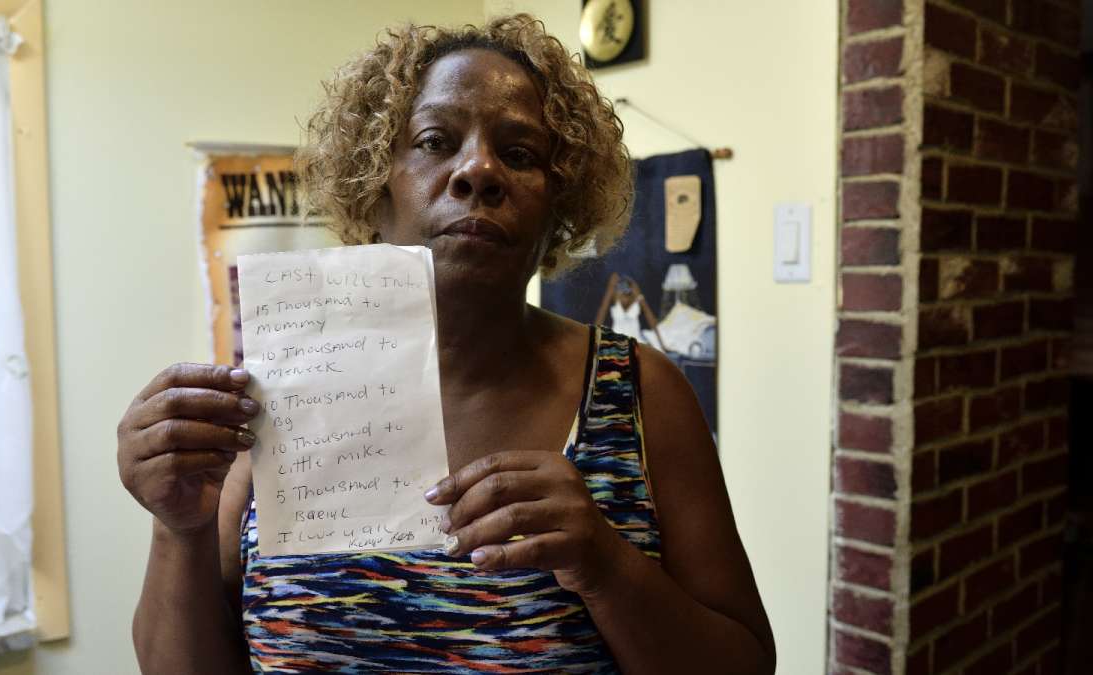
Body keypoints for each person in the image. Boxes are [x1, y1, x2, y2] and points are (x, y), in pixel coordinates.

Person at [116, 14, 775, 674]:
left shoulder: (638, 395)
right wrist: (179, 528)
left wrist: (604, 565)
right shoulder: (274, 394)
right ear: (372, 186)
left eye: (519, 155)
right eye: (435, 141)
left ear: (560, 209)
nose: (479, 169)